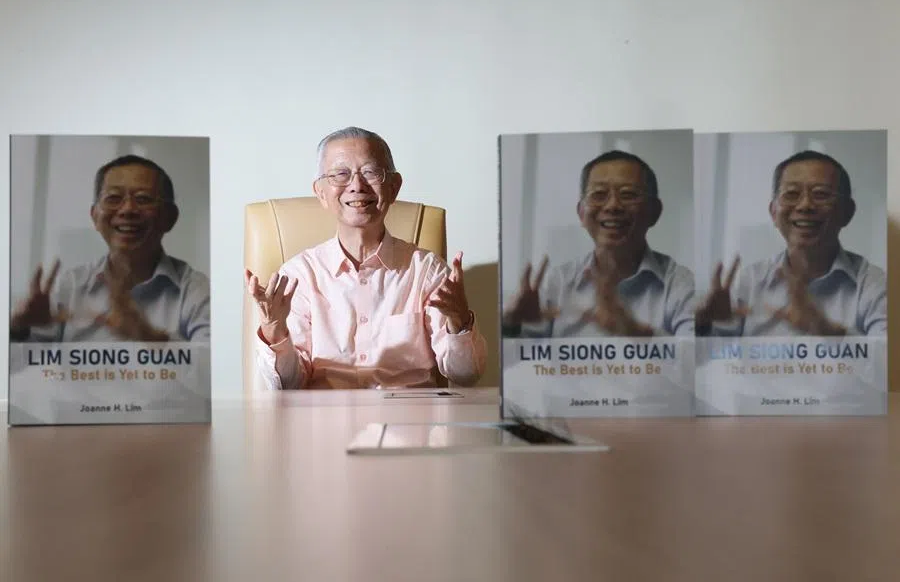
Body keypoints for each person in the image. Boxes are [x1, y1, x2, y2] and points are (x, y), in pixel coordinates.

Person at [245, 127, 487, 390]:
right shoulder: (299, 276)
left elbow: (466, 375)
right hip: (325, 424)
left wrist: (459, 321)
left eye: (371, 172)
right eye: (340, 174)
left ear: (393, 187)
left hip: (409, 423)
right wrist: (274, 329)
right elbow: (287, 385)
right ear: (321, 192)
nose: (357, 186)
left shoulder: (426, 271)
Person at [9, 154, 211, 343]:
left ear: (170, 217)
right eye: (113, 198)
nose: (128, 209)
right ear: (95, 216)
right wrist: (18, 329)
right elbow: (22, 371)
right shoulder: (69, 287)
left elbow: (211, 370)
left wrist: (149, 338)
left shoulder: (195, 290)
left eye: (143, 199)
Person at [502, 150, 695, 338]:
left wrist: (637, 333)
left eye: (628, 194)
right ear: (581, 213)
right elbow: (518, 365)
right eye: (599, 194)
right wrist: (510, 327)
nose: (612, 206)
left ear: (654, 211)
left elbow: (695, 362)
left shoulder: (679, 283)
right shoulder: (556, 283)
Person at [695, 150, 886, 337]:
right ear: (773, 213)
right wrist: (700, 324)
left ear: (847, 212)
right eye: (792, 194)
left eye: (821, 194)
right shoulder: (750, 282)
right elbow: (703, 360)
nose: (805, 206)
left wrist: (828, 332)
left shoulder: (874, 285)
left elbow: (889, 362)